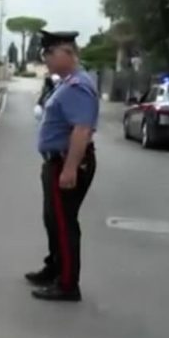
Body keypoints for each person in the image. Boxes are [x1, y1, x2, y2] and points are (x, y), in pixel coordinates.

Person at [24, 30, 99, 302]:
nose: (46, 59)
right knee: (53, 220)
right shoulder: (66, 83)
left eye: (50, 53)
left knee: (64, 223)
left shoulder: (78, 86)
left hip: (66, 162)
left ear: (68, 53)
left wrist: (69, 168)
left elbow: (81, 129)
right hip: (56, 161)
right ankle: (54, 267)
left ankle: (67, 284)